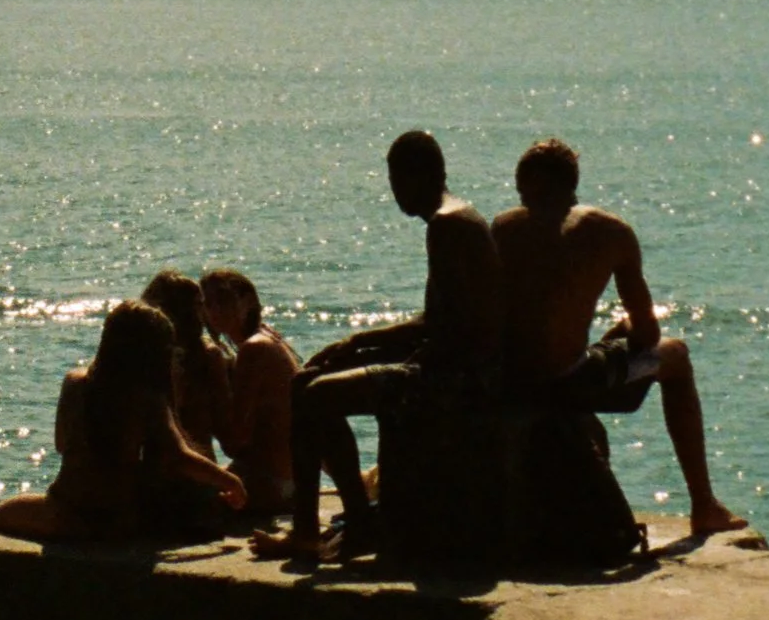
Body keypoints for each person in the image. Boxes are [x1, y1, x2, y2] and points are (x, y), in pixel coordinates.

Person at [494, 138, 760, 546]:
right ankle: (704, 505)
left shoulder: (502, 227)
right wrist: (619, 333)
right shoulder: (612, 232)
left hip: (512, 380)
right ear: (572, 183)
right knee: (677, 356)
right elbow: (649, 335)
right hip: (570, 379)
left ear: (528, 184)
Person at [277, 129, 501, 559]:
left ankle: (347, 525)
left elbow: (439, 326)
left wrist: (358, 343)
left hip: (459, 379)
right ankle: (321, 525)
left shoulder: (447, 225)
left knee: (317, 393)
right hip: (455, 363)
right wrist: (356, 345)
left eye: (398, 180)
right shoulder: (458, 217)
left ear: (422, 176)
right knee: (306, 380)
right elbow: (441, 319)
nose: (395, 192)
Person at [0, 299, 247, 545]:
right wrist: (230, 481)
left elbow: (61, 444)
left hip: (68, 510)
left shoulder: (77, 383)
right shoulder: (148, 397)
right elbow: (179, 456)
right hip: (118, 518)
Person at [201, 268, 298, 521]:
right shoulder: (267, 339)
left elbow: (235, 443)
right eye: (207, 303)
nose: (215, 310)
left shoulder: (254, 350)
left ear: (248, 301)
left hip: (270, 483)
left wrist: (212, 390)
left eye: (224, 299)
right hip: (287, 478)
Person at [143, 268, 235, 457]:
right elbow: (229, 438)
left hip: (150, 473)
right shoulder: (208, 357)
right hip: (199, 471)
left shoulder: (142, 357)